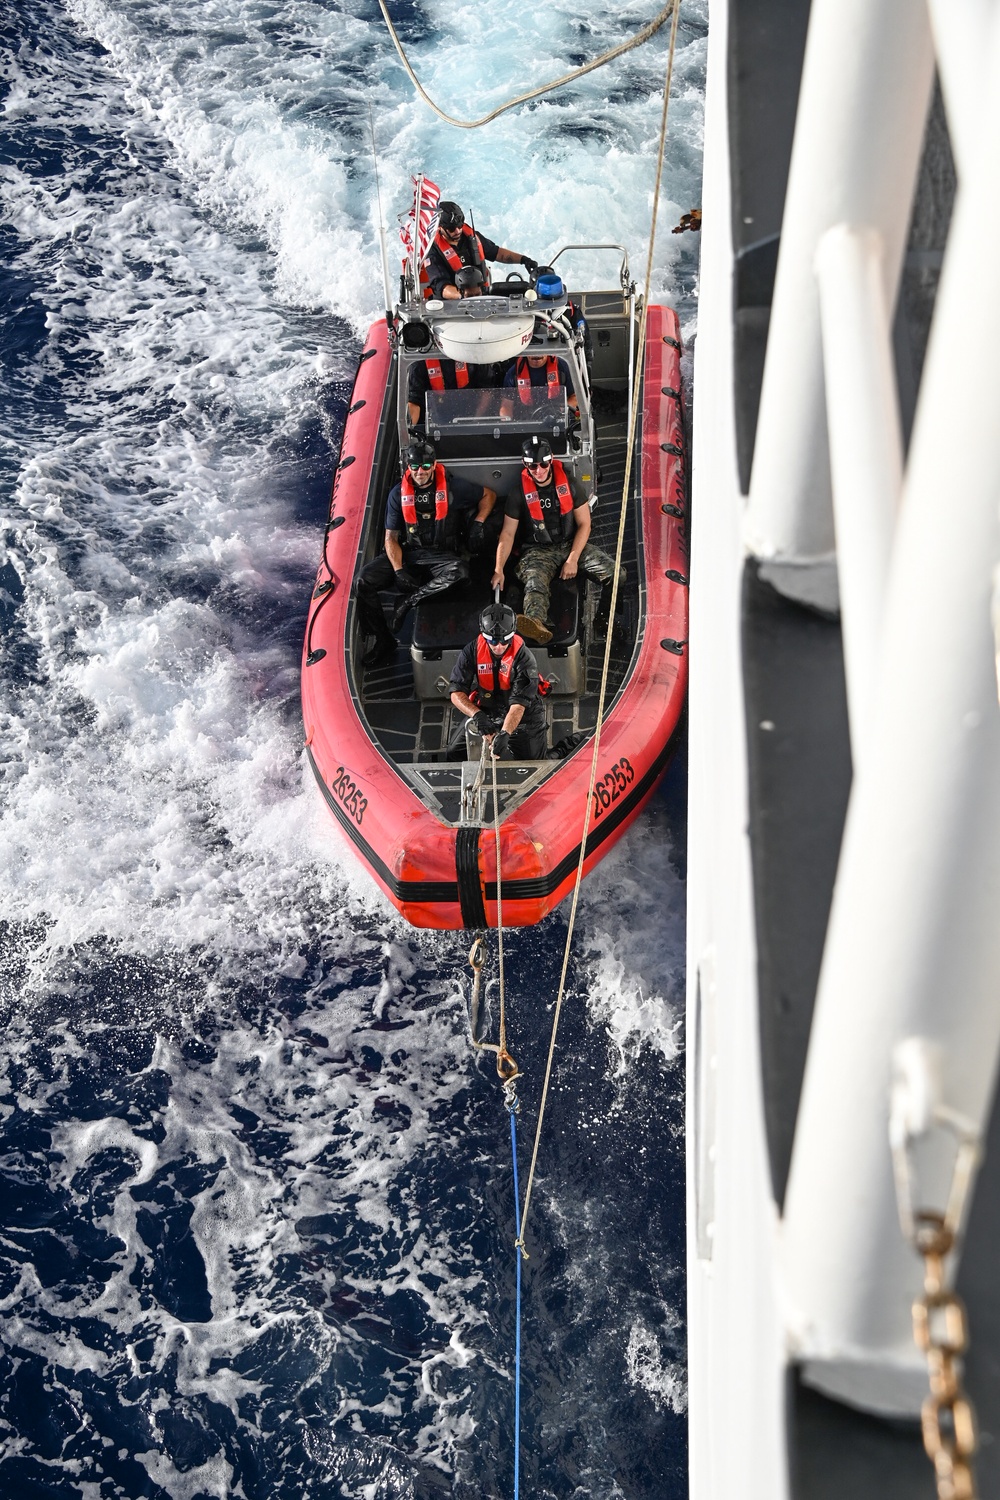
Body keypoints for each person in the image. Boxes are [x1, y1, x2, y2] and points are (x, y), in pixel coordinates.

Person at [355, 439, 497, 667]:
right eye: (415, 466)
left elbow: (488, 495)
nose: (420, 471)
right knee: (363, 581)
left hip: (441, 556)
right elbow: (390, 538)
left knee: (461, 572)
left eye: (425, 465)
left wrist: (478, 522)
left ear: (434, 464)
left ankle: (409, 602)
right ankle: (383, 640)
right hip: (409, 554)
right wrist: (399, 570)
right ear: (408, 467)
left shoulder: (454, 488)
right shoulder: (396, 496)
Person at [491, 436, 622, 646]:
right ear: (526, 465)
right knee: (535, 583)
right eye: (532, 466)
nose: (539, 470)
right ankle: (536, 622)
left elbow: (585, 524)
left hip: (570, 544)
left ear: (551, 460)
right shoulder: (518, 494)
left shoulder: (569, 485)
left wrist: (573, 558)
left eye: (543, 463)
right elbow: (507, 534)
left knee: (616, 576)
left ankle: (604, 619)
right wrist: (499, 569)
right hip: (537, 550)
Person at [449, 602, 547, 760]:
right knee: (454, 753)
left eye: (505, 641)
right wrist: (477, 715)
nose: (499, 646)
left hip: (524, 716)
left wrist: (505, 733)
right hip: (487, 710)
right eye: (493, 641)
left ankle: (571, 745)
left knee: (535, 762)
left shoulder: (525, 659)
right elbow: (456, 692)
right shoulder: (471, 651)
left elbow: (518, 705)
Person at [426, 201, 537, 301]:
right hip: (452, 304)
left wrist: (524, 260)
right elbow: (441, 287)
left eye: (460, 225)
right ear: (440, 227)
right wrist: (462, 295)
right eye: (451, 228)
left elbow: (497, 253)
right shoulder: (433, 251)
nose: (457, 230)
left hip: (482, 298)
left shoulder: (471, 237)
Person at [406, 355, 495, 429]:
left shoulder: (473, 354)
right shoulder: (420, 361)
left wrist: (476, 422)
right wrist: (408, 431)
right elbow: (415, 400)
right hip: (437, 425)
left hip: (472, 418)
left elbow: (486, 390)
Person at [498, 349, 579, 420]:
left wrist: (560, 412)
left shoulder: (562, 368)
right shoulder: (514, 373)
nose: (536, 355)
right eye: (532, 351)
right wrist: (509, 427)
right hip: (526, 421)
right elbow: (506, 406)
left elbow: (575, 397)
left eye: (540, 351)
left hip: (557, 419)